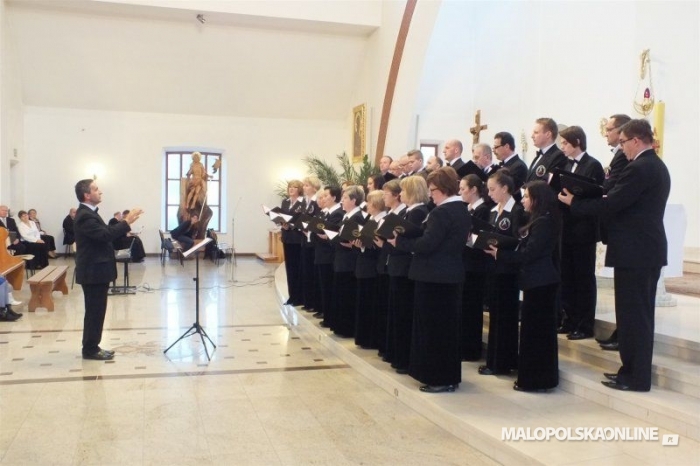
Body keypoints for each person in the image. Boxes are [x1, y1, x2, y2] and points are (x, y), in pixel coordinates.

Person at [559, 119, 670, 392]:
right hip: (640, 251)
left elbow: (613, 202)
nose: (621, 149)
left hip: (637, 252)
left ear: (635, 140)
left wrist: (576, 203)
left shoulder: (640, 167)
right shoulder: (653, 165)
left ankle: (635, 376)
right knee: (634, 316)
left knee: (635, 318)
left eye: (622, 143)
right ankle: (629, 371)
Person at [395, 167, 470, 393]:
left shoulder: (441, 213)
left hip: (434, 277)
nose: (431, 195)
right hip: (450, 275)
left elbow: (428, 245)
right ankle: (448, 376)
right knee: (446, 329)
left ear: (445, 189)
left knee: (434, 329)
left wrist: (399, 243)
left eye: (433, 190)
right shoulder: (461, 209)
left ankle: (438, 378)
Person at [486, 180, 561, 392]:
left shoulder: (544, 222)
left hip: (541, 282)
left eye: (527, 196)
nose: (523, 200)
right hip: (536, 281)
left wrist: (500, 254)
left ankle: (536, 380)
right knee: (532, 332)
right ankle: (534, 378)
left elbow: (530, 254)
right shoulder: (538, 220)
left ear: (537, 199)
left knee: (536, 334)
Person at [74, 178, 142, 360]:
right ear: (87, 195)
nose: (100, 191)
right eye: (96, 189)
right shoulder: (85, 216)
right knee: (94, 312)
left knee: (96, 311)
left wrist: (125, 225)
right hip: (92, 272)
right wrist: (126, 222)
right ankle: (90, 349)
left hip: (96, 271)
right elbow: (104, 235)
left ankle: (92, 346)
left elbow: (106, 235)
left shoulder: (91, 213)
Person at [557, 126, 604, 340]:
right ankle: (570, 319)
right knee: (567, 276)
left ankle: (585, 324)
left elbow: (595, 197)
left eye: (565, 143)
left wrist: (573, 201)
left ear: (577, 141)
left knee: (583, 277)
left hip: (583, 229)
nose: (562, 147)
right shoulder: (565, 164)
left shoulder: (592, 165)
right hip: (566, 227)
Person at [479, 170, 525, 376]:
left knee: (505, 317)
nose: (489, 194)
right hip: (493, 268)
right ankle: (494, 360)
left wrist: (501, 251)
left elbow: (517, 240)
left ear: (505, 188)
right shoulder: (493, 211)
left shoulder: (516, 211)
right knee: (495, 315)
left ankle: (503, 362)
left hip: (508, 271)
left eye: (492, 189)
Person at [384, 176, 429, 374]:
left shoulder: (418, 212)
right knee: (397, 311)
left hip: (405, 268)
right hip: (398, 265)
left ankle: (403, 358)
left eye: (403, 191)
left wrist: (396, 240)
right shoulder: (411, 211)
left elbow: (412, 238)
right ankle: (396, 354)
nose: (400, 194)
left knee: (403, 313)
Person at [597, 113, 632, 351]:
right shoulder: (622, 156)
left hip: (631, 238)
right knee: (624, 294)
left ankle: (624, 335)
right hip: (624, 235)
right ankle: (622, 332)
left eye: (609, 129)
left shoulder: (626, 159)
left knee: (630, 297)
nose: (606, 133)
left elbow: (613, 188)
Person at [459, 174, 494, 361]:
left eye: (463, 188)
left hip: (476, 265)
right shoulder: (469, 209)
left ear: (473, 190)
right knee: (465, 307)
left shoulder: (482, 210)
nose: (460, 192)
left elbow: (480, 237)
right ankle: (464, 345)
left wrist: (465, 237)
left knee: (472, 308)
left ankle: (471, 349)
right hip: (466, 263)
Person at [351, 190, 386, 349]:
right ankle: (363, 337)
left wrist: (366, 246)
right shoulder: (370, 219)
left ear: (377, 204)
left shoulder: (382, 220)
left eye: (369, 202)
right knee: (363, 302)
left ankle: (371, 339)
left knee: (371, 303)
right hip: (363, 264)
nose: (366, 205)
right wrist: (359, 245)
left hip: (373, 267)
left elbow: (381, 248)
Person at [279, 180, 305, 306]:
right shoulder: (285, 202)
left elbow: (302, 221)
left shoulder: (303, 202)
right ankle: (291, 296)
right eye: (290, 187)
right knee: (289, 268)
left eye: (294, 187)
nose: (291, 189)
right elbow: (282, 216)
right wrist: (282, 223)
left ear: (299, 189)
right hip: (287, 237)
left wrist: (291, 226)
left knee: (297, 267)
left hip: (297, 238)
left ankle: (298, 296)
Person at [300, 176, 321, 311]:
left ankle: (312, 302)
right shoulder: (305, 202)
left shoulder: (316, 202)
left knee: (312, 272)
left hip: (312, 240)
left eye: (307, 185)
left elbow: (316, 220)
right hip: (304, 238)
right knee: (306, 271)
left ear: (314, 187)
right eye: (304, 185)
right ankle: (307, 300)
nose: (304, 187)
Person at [527, 117, 567, 184]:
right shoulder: (538, 156)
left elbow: (550, 183)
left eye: (536, 132)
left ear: (548, 134)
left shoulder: (558, 156)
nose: (532, 136)